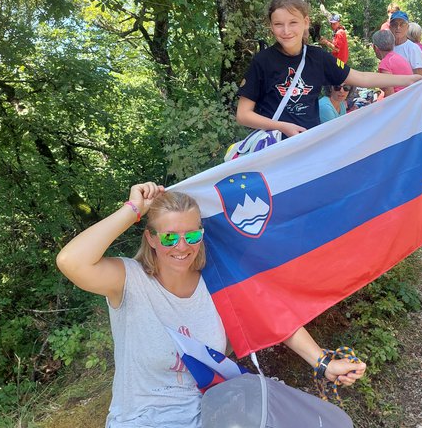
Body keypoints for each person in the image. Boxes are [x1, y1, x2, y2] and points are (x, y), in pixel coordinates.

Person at [56, 183, 367, 427]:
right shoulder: (129, 280)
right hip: (141, 420)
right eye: (168, 238)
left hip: (212, 416)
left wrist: (324, 363)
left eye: (192, 235)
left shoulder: (216, 281)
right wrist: (134, 208)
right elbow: (71, 261)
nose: (181, 247)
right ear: (150, 238)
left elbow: (272, 318)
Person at [236, 0, 422, 137]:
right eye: (278, 24)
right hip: (274, 151)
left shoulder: (318, 58)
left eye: (293, 22)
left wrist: (409, 79)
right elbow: (243, 114)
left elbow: (361, 77)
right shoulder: (262, 61)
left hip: (309, 147)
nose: (286, 31)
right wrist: (282, 127)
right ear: (271, 26)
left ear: (305, 22)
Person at [371, 29, 413, 98]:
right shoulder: (399, 58)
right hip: (409, 101)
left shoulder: (386, 64)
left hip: (400, 104)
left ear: (375, 47)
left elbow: (389, 93)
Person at [389, 11, 422, 76]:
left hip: (408, 86)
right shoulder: (387, 47)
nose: (398, 27)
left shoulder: (413, 48)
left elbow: (419, 76)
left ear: (407, 27)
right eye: (395, 24)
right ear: (390, 27)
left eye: (402, 24)